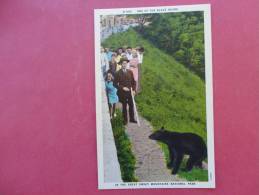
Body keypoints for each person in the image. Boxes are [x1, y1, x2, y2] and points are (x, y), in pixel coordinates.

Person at [114, 58, 137, 125]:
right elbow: (114, 84)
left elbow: (134, 82)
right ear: (121, 64)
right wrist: (122, 88)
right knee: (124, 106)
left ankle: (132, 119)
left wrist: (134, 90)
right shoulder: (118, 73)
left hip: (130, 93)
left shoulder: (130, 72)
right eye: (123, 63)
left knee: (131, 105)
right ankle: (125, 120)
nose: (124, 65)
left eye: (126, 63)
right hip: (122, 93)